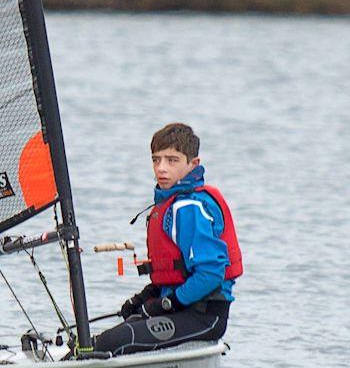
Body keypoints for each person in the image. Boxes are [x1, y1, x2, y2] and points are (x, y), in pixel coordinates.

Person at [91, 122, 243, 356]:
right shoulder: (168, 205)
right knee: (97, 341)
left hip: (204, 317)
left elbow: (211, 273)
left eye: (172, 160)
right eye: (156, 160)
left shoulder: (189, 208)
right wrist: (146, 297)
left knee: (112, 343)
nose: (161, 168)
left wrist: (169, 303)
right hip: (180, 310)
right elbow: (177, 272)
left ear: (193, 164)